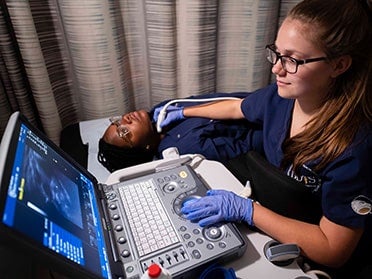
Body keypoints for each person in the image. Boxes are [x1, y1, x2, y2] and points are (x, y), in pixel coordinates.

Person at [154, 0, 372, 278]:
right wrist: (181, 110)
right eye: (277, 54)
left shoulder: (355, 149)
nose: (277, 69)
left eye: (292, 60)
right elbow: (235, 107)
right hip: (274, 221)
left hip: (311, 252)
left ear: (339, 65)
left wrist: (247, 210)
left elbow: (333, 250)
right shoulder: (281, 99)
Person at [98, 92, 263, 172]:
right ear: (145, 148)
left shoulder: (162, 110)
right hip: (272, 122)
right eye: (124, 132)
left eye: (117, 122)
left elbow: (223, 97)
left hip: (261, 98)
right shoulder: (188, 149)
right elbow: (252, 144)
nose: (125, 119)